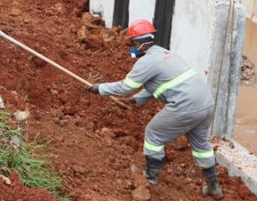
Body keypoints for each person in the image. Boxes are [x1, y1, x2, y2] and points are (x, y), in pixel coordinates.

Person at [84, 19, 223, 199]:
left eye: (132, 43)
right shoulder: (166, 55)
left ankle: (151, 179)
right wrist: (137, 100)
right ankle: (214, 186)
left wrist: (99, 88)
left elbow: (125, 86)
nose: (131, 48)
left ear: (138, 43)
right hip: (206, 104)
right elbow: (157, 84)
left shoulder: (147, 62)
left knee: (153, 134)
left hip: (185, 105)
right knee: (202, 145)